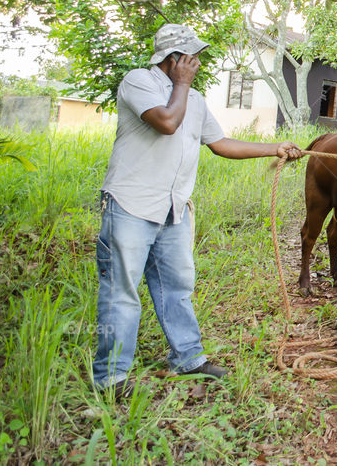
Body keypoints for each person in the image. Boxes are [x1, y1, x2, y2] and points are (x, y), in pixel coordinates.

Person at [93, 23, 303, 398]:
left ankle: (188, 359)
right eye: (191, 59)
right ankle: (110, 377)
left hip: (172, 209)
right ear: (173, 59)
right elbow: (167, 123)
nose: (197, 65)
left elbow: (220, 143)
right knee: (121, 291)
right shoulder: (138, 81)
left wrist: (274, 147)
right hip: (130, 206)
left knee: (177, 287)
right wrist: (183, 83)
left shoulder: (197, 99)